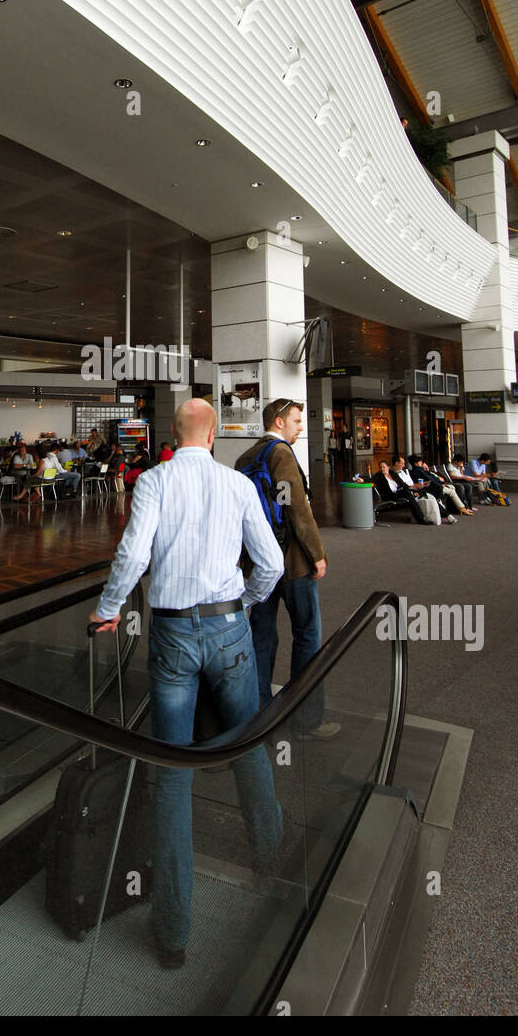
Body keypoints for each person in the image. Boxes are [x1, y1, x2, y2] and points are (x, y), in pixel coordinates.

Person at [89, 398, 285, 967]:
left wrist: (108, 609)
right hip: (228, 629)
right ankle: (270, 854)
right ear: (216, 432)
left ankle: (173, 933)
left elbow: (132, 554)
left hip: (172, 633)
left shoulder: (153, 481)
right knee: (247, 740)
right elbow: (269, 563)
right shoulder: (237, 485)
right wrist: (240, 608)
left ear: (170, 435)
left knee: (170, 773)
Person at [236, 399, 338, 736]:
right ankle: (305, 718)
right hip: (292, 562)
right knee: (307, 634)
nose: (300, 426)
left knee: (262, 636)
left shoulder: (245, 457)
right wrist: (316, 553)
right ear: (278, 422)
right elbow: (296, 506)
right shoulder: (281, 453)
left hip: (259, 563)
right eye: (296, 420)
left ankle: (260, 713)